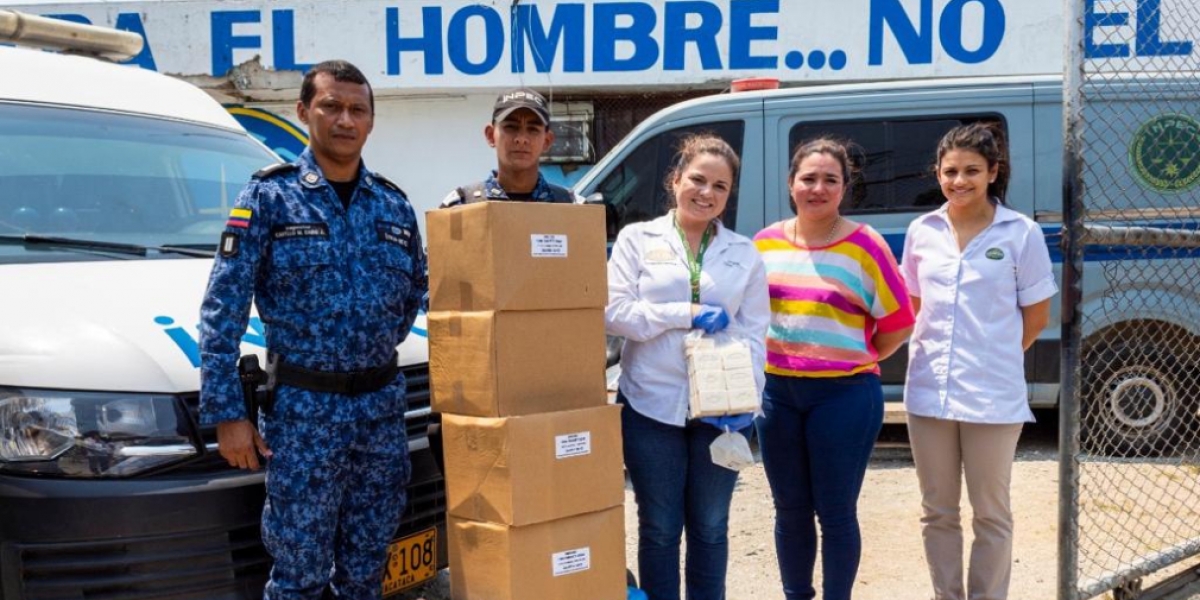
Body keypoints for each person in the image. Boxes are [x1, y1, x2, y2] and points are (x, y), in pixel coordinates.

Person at [198, 60, 427, 600]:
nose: (344, 119)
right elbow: (222, 310)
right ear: (304, 112)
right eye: (331, 106)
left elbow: (413, 297)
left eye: (357, 109)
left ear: (371, 122)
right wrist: (228, 412)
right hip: (304, 417)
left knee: (367, 571)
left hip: (380, 416)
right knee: (298, 575)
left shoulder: (394, 205)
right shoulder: (269, 198)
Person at [605, 134, 770, 600]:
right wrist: (686, 313)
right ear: (675, 180)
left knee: (712, 526)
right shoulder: (638, 240)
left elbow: (756, 333)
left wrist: (746, 401)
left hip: (721, 412)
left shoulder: (744, 252)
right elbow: (615, 313)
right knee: (658, 526)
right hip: (650, 404)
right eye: (697, 179)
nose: (707, 193)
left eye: (720, 186)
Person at [753, 138, 915, 600]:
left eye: (830, 180)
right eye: (808, 178)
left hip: (843, 396)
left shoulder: (866, 245)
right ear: (791, 184)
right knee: (789, 509)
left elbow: (897, 322)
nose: (817, 188)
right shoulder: (764, 242)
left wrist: (849, 356)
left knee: (836, 511)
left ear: (845, 188)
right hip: (777, 395)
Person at [901, 123, 1057, 600]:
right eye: (950, 171)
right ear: (937, 173)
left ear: (993, 172)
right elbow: (911, 307)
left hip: (993, 395)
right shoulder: (921, 231)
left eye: (972, 171)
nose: (959, 181)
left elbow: (1035, 316)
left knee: (991, 512)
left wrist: (994, 354)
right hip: (928, 393)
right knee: (938, 511)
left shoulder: (1021, 233)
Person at [440, 87, 582, 207]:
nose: (521, 139)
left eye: (532, 129)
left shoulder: (573, 207)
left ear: (547, 141)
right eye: (511, 127)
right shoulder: (461, 206)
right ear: (490, 135)